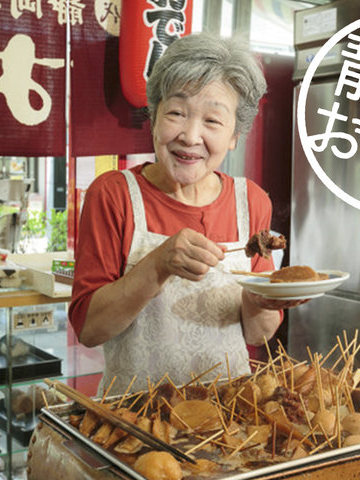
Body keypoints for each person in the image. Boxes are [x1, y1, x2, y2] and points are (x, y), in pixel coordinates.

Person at [69, 33, 306, 396]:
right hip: (136, 420)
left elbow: (259, 333)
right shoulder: (114, 195)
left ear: (234, 136)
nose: (191, 136)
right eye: (177, 113)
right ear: (154, 117)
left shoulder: (252, 201)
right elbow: (90, 330)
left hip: (230, 416)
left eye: (212, 121)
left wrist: (261, 299)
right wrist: (158, 264)